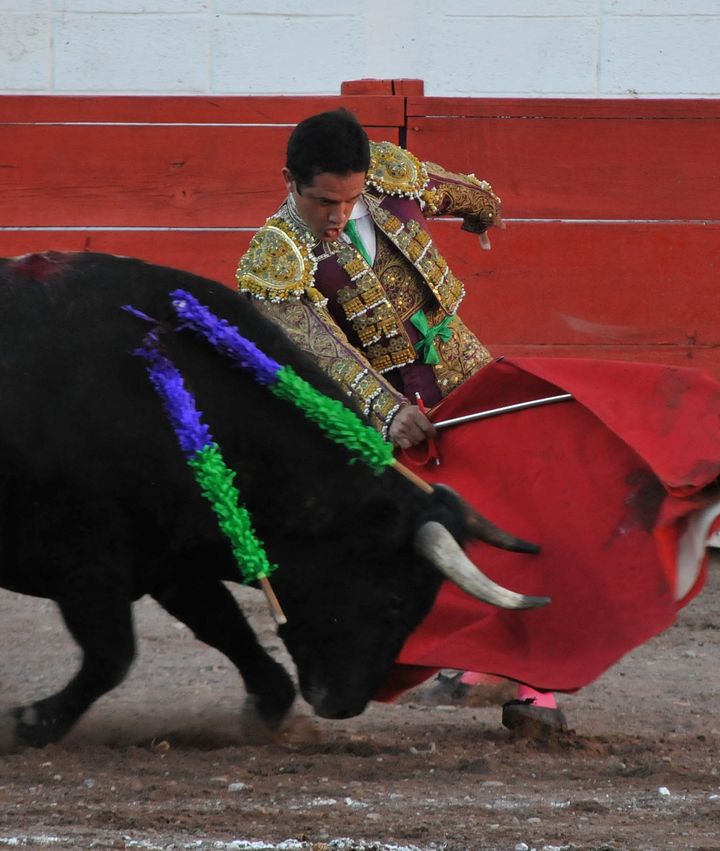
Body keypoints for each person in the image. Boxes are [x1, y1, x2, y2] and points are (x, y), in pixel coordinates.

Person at [236, 109, 720, 735]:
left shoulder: (389, 176)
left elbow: (464, 194)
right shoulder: (275, 259)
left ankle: (522, 679)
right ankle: (503, 672)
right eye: (324, 202)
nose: (338, 215)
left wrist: (481, 212)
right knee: (458, 548)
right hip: (410, 427)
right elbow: (324, 352)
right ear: (290, 182)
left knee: (535, 520)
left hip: (477, 384)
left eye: (348, 199)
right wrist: (388, 411)